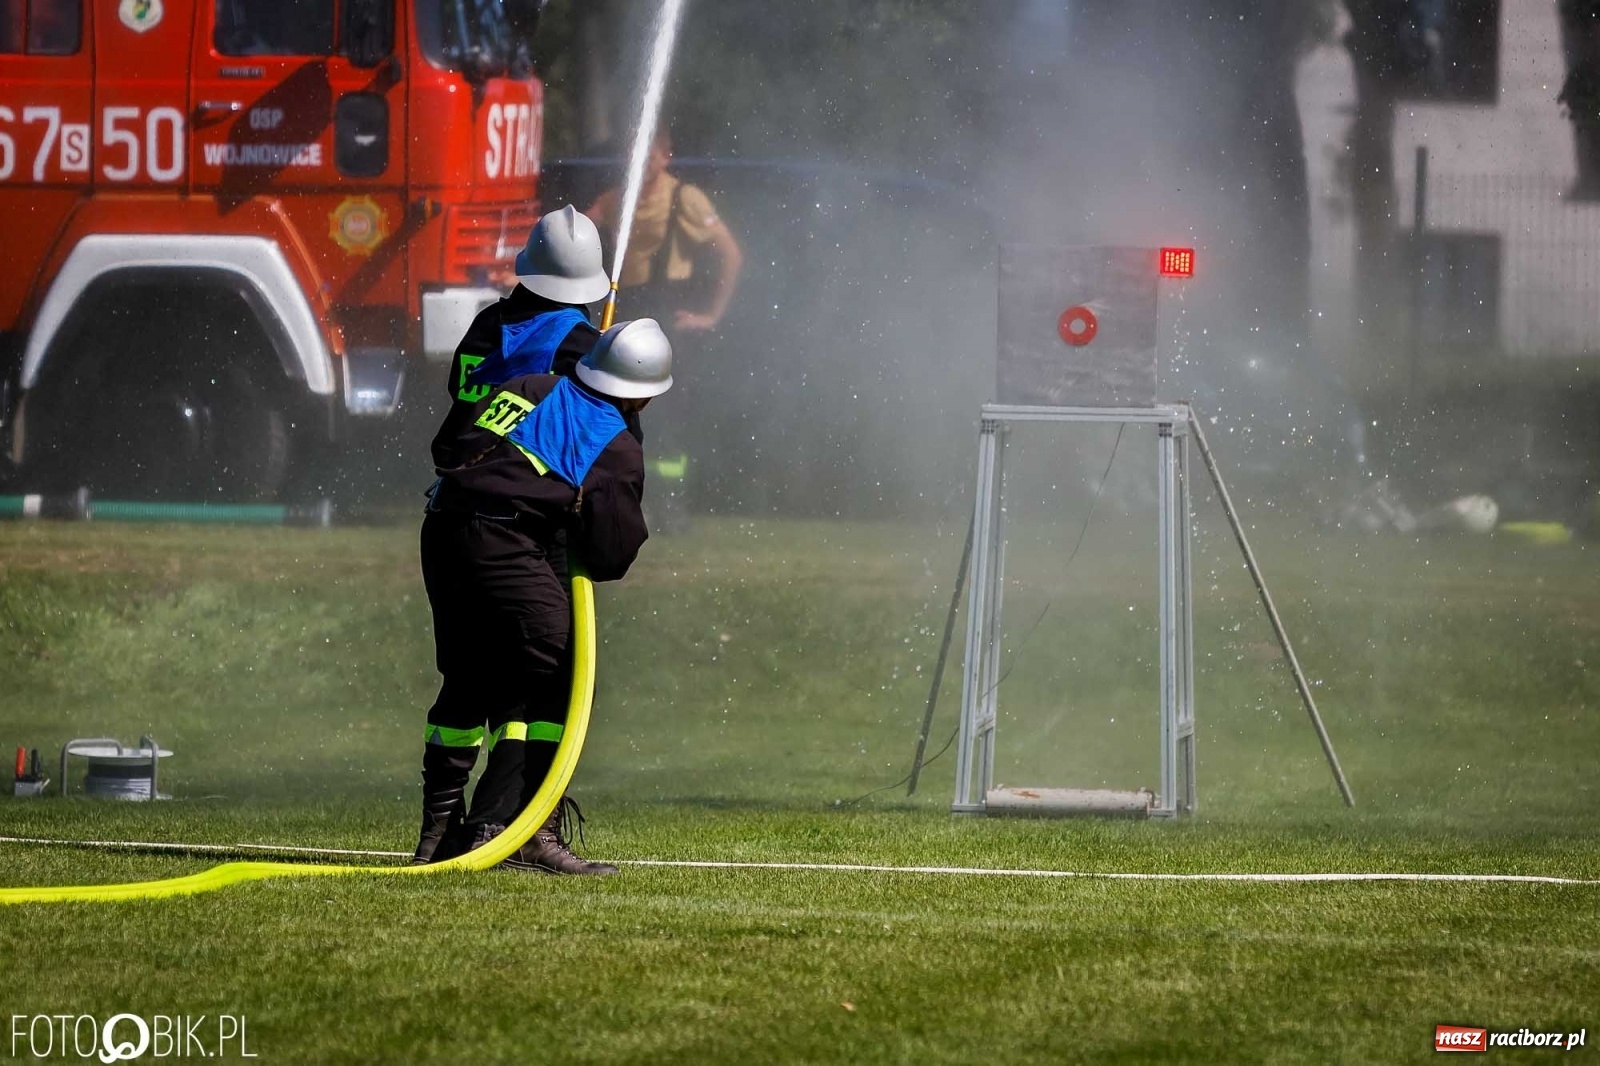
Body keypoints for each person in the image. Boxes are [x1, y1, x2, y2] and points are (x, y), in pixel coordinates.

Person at [411, 221, 672, 876]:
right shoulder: (606, 422)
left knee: (469, 682)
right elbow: (612, 552)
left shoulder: (498, 341)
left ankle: (441, 834)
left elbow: (460, 431)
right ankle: (513, 828)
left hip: (446, 518)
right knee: (553, 673)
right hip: (519, 538)